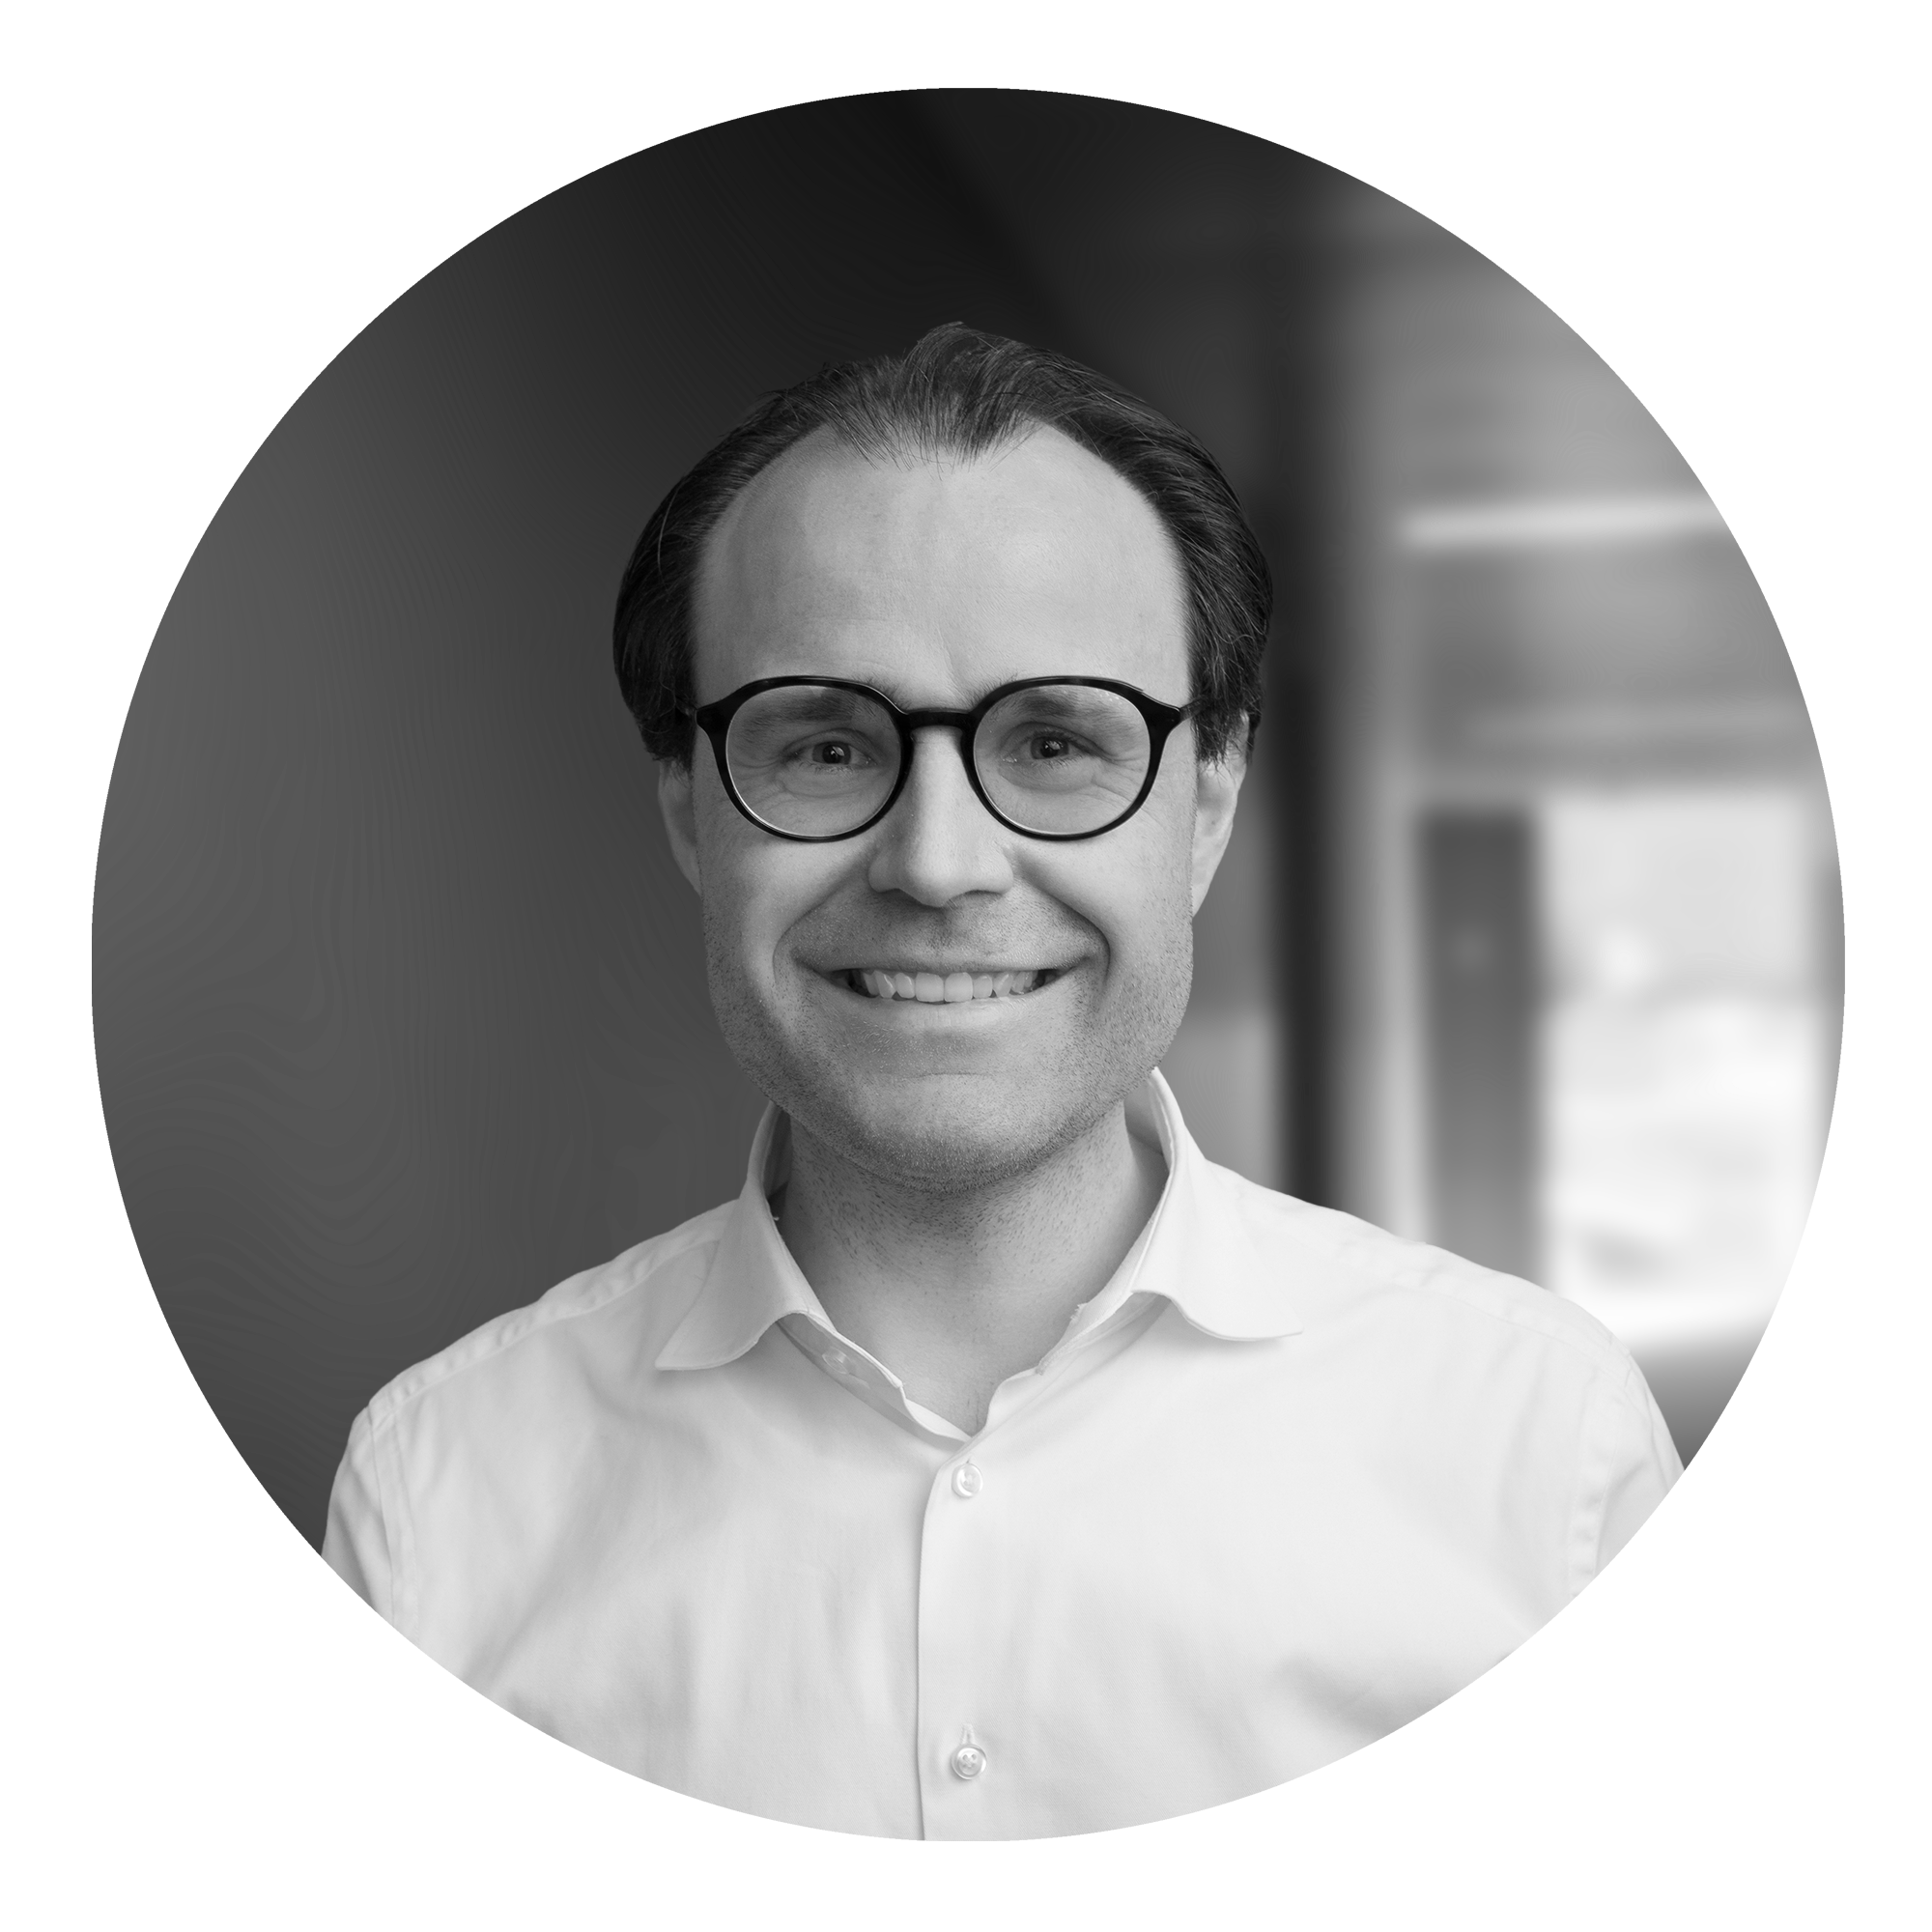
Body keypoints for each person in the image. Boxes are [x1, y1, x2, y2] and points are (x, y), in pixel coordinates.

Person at [322, 323, 1681, 1839]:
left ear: (1209, 803)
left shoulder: (1543, 1455)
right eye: (827, 747)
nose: (939, 864)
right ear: (692, 814)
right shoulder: (441, 1504)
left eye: (1054, 741)